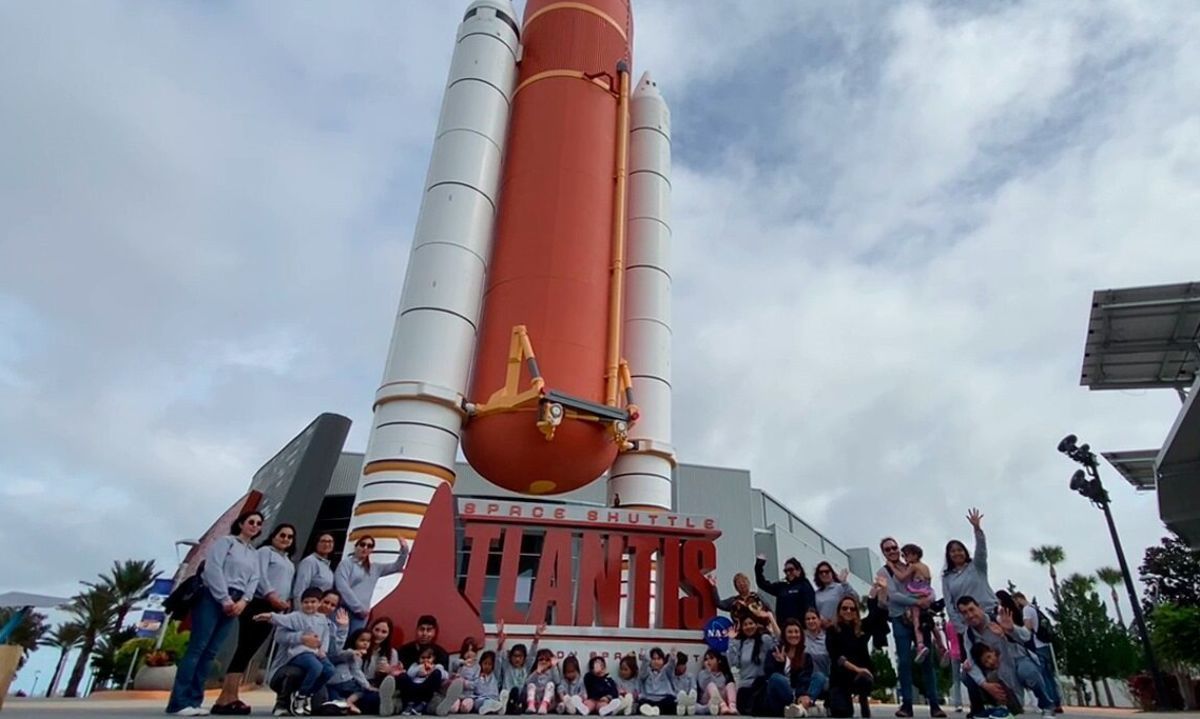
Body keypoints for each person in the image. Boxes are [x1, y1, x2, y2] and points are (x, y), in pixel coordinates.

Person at [167, 510, 264, 717]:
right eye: (251, 521)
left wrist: (244, 601)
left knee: (211, 652)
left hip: (237, 600)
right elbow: (213, 569)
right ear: (241, 524)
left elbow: (254, 579)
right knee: (197, 648)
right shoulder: (225, 543)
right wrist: (224, 599)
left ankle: (194, 700)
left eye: (258, 523)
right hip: (213, 597)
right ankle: (179, 702)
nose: (254, 526)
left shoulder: (253, 553)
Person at [214, 522, 297, 715]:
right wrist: (271, 596)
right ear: (273, 535)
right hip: (259, 604)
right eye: (281, 535)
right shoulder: (264, 552)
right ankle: (226, 697)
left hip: (275, 609)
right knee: (244, 648)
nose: (285, 539)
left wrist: (286, 602)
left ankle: (230, 696)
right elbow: (258, 576)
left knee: (249, 651)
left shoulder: (289, 562)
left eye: (289, 537)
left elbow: (287, 584)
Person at [876, 537, 945, 719]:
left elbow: (925, 585)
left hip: (921, 616)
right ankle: (906, 705)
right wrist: (916, 602)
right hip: (900, 619)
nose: (892, 551)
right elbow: (892, 595)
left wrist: (924, 602)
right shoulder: (883, 572)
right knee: (905, 661)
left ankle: (935, 704)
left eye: (894, 548)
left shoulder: (911, 565)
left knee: (927, 661)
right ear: (883, 553)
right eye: (887, 549)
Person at [956, 596, 1054, 718]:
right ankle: (985, 709)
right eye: (964, 613)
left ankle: (1047, 706)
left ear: (980, 608)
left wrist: (1011, 630)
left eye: (972, 609)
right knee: (967, 674)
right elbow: (972, 663)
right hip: (994, 670)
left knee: (1027, 671)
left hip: (1017, 659)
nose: (970, 615)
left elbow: (1026, 637)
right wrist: (986, 685)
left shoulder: (997, 620)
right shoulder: (969, 635)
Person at [254, 587, 338, 716]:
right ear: (301, 602)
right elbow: (281, 625)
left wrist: (323, 649)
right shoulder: (296, 616)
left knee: (329, 670)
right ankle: (293, 699)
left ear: (318, 602)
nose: (310, 605)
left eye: (313, 602)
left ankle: (308, 694)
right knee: (314, 667)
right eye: (306, 602)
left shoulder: (324, 620)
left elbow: (327, 639)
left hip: (316, 654)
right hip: (298, 655)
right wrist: (270, 616)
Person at [335, 535, 409, 633]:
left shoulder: (375, 568)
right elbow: (342, 586)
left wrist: (404, 550)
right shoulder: (346, 564)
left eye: (369, 546)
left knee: (354, 643)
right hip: (344, 610)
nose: (365, 548)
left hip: (361, 616)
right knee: (338, 639)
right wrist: (359, 608)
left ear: (371, 550)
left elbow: (397, 566)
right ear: (356, 546)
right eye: (362, 544)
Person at [1013, 592, 1063, 714]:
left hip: (1038, 645)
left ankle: (1049, 702)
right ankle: (1057, 702)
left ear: (1018, 599)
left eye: (1015, 601)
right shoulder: (1034, 608)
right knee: (1049, 675)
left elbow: (1028, 628)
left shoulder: (1026, 610)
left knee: (1043, 676)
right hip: (1045, 644)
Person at [726, 615, 786, 716]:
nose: (748, 627)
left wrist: (771, 620)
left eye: (751, 623)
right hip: (744, 688)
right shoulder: (740, 643)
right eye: (745, 624)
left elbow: (780, 641)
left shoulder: (764, 640)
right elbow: (734, 663)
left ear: (756, 625)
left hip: (760, 688)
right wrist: (731, 641)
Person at [826, 597, 874, 719]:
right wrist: (857, 669)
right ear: (839, 610)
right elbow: (837, 657)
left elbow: (864, 655)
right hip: (839, 677)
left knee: (865, 678)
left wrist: (868, 672)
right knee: (842, 713)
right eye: (845, 608)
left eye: (852, 609)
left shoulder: (860, 631)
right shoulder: (832, 630)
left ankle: (865, 710)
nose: (848, 611)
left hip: (857, 678)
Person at [769, 618, 826, 718]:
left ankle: (802, 706)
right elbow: (769, 676)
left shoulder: (806, 656)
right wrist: (781, 663)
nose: (793, 635)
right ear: (784, 634)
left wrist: (801, 695)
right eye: (790, 632)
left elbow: (805, 679)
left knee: (819, 676)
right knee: (776, 677)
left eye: (796, 632)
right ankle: (803, 705)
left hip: (801, 692)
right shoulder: (776, 651)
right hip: (784, 693)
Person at [325, 628, 381, 715]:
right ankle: (349, 702)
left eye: (368, 641)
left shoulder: (349, 652)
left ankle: (342, 705)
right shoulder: (354, 654)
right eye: (362, 640)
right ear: (354, 640)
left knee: (335, 698)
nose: (365, 643)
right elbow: (356, 672)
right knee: (362, 690)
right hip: (344, 680)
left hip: (331, 682)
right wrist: (367, 686)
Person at [755, 555, 816, 628]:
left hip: (801, 629)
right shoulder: (782, 586)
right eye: (785, 571)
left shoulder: (804, 585)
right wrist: (758, 566)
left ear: (798, 570)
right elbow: (763, 584)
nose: (788, 573)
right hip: (783, 629)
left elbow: (810, 607)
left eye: (791, 570)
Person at [968, 644, 1021, 716]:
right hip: (1002, 699)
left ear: (992, 651)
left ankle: (1004, 709)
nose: (990, 662)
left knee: (992, 677)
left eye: (989, 657)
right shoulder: (990, 673)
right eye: (986, 662)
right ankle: (994, 707)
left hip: (1015, 700)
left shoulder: (1005, 659)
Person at [813, 562, 859, 627]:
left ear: (832, 573)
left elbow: (855, 598)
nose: (824, 574)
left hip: (839, 627)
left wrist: (844, 582)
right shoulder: (817, 593)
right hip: (822, 629)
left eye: (827, 571)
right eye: (821, 572)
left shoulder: (839, 587)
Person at [293, 533, 337, 597]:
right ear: (316, 543)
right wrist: (299, 606)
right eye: (323, 541)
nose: (327, 544)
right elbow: (300, 588)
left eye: (330, 541)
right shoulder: (309, 561)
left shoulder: (327, 565)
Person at [637, 648, 677, 716]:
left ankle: (654, 710)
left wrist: (673, 657)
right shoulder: (646, 671)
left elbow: (671, 665)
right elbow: (643, 670)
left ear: (663, 660)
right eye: (653, 659)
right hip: (649, 699)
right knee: (641, 704)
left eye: (658, 659)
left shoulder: (666, 670)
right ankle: (654, 710)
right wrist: (645, 659)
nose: (656, 661)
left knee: (671, 702)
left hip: (663, 699)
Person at [696, 649, 736, 716]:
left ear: (718, 661)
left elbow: (721, 686)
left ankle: (732, 706)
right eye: (706, 659)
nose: (708, 661)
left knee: (730, 684)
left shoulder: (723, 674)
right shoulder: (702, 673)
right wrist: (708, 673)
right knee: (711, 685)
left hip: (721, 697)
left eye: (711, 658)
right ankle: (722, 706)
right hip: (708, 700)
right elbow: (703, 686)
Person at [450, 637, 483, 714]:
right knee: (453, 708)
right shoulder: (459, 663)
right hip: (456, 694)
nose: (469, 653)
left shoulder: (477, 667)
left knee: (465, 708)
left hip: (469, 696)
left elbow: (475, 684)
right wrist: (463, 662)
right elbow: (454, 666)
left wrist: (464, 682)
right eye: (467, 650)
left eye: (472, 651)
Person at [802, 609, 831, 693]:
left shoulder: (828, 639)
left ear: (819, 620)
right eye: (808, 619)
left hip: (823, 680)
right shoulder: (800, 636)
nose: (811, 621)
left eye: (813, 618)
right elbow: (781, 639)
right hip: (804, 680)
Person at [525, 648, 558, 713]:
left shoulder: (552, 671)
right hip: (536, 702)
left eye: (547, 660)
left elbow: (557, 681)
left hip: (548, 703)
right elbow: (527, 683)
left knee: (550, 684)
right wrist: (537, 672)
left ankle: (544, 705)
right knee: (531, 685)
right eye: (541, 659)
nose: (544, 662)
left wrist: (553, 667)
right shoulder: (535, 672)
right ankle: (531, 706)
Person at [473, 649, 505, 715]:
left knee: (494, 702)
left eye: (490, 664)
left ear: (493, 665)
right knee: (478, 702)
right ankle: (493, 707)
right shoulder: (477, 674)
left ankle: (499, 707)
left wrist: (499, 648)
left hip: (493, 698)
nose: (487, 666)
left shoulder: (495, 675)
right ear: (481, 663)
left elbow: (498, 662)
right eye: (485, 663)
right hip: (480, 699)